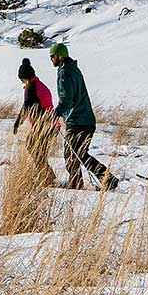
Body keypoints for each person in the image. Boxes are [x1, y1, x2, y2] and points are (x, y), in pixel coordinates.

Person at [49, 44, 117, 191]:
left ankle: (78, 186)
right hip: (86, 120)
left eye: (52, 56)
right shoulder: (73, 69)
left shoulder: (65, 73)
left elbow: (66, 100)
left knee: (71, 154)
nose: (51, 59)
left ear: (60, 56)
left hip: (77, 120)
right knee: (79, 154)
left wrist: (56, 113)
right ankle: (107, 179)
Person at [12, 58, 56, 188]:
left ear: (25, 77)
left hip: (43, 124)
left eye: (21, 79)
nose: (21, 82)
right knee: (36, 148)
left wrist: (17, 123)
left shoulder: (32, 88)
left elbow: (26, 107)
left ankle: (46, 177)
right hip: (49, 124)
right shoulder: (39, 85)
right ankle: (47, 176)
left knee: (33, 147)